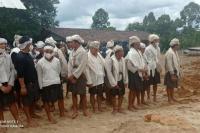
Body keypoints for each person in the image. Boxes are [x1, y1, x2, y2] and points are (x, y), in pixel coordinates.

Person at [15, 36, 40, 127]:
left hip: (32, 82)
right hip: (26, 84)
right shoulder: (20, 57)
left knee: (33, 100)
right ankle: (29, 120)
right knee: (26, 102)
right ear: (26, 44)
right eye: (30, 44)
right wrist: (23, 87)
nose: (31, 45)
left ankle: (32, 114)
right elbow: (20, 74)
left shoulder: (27, 54)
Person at [36, 44, 65, 123]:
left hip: (56, 82)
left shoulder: (57, 61)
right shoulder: (40, 62)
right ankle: (49, 116)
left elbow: (58, 71)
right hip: (46, 84)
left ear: (53, 52)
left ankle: (62, 113)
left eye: (50, 51)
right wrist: (41, 87)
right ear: (44, 52)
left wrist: (57, 80)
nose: (48, 53)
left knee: (60, 98)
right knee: (46, 101)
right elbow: (39, 76)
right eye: (46, 51)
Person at [0, 38, 23, 131]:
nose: (3, 46)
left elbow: (12, 70)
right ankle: (2, 125)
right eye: (1, 44)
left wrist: (10, 84)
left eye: (5, 44)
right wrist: (0, 86)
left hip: (8, 83)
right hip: (0, 84)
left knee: (12, 103)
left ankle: (17, 120)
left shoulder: (8, 56)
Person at [68, 34, 89, 119]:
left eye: (72, 42)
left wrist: (74, 76)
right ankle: (75, 110)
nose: (70, 44)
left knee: (82, 94)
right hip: (72, 74)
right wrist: (70, 75)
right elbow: (69, 63)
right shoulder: (71, 52)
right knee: (74, 94)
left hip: (80, 75)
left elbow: (82, 66)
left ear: (77, 43)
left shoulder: (83, 52)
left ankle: (84, 110)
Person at [105, 45, 128, 114]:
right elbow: (109, 72)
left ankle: (119, 108)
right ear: (117, 52)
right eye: (122, 51)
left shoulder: (123, 60)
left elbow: (125, 71)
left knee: (121, 94)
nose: (123, 53)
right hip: (114, 79)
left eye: (123, 51)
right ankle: (114, 108)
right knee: (113, 95)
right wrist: (113, 83)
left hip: (121, 79)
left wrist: (126, 81)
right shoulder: (111, 60)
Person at [126, 36, 146, 111]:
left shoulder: (138, 52)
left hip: (138, 73)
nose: (139, 45)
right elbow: (129, 65)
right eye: (137, 44)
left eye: (139, 44)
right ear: (133, 44)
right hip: (133, 73)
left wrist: (143, 69)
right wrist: (139, 69)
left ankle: (132, 104)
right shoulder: (131, 53)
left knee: (135, 90)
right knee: (132, 90)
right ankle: (130, 106)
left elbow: (141, 62)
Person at [87, 41, 105, 113]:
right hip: (92, 78)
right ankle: (94, 108)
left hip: (100, 78)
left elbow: (103, 64)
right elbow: (87, 70)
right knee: (92, 94)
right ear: (91, 48)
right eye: (95, 49)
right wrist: (89, 81)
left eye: (97, 49)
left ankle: (99, 107)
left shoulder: (99, 55)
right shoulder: (87, 56)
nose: (97, 50)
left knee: (100, 94)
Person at [144, 34, 162, 102]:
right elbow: (145, 59)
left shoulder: (158, 48)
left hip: (156, 67)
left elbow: (158, 58)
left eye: (158, 40)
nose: (158, 41)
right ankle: (148, 96)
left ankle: (154, 96)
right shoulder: (147, 48)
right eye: (156, 40)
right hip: (150, 67)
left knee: (155, 83)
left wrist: (159, 66)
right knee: (148, 83)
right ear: (153, 41)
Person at [164, 38, 181, 104]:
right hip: (170, 71)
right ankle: (169, 99)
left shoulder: (175, 52)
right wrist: (172, 74)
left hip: (175, 70)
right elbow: (169, 64)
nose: (178, 46)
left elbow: (177, 61)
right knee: (169, 86)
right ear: (175, 45)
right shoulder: (169, 52)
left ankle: (172, 97)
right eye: (178, 45)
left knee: (173, 85)